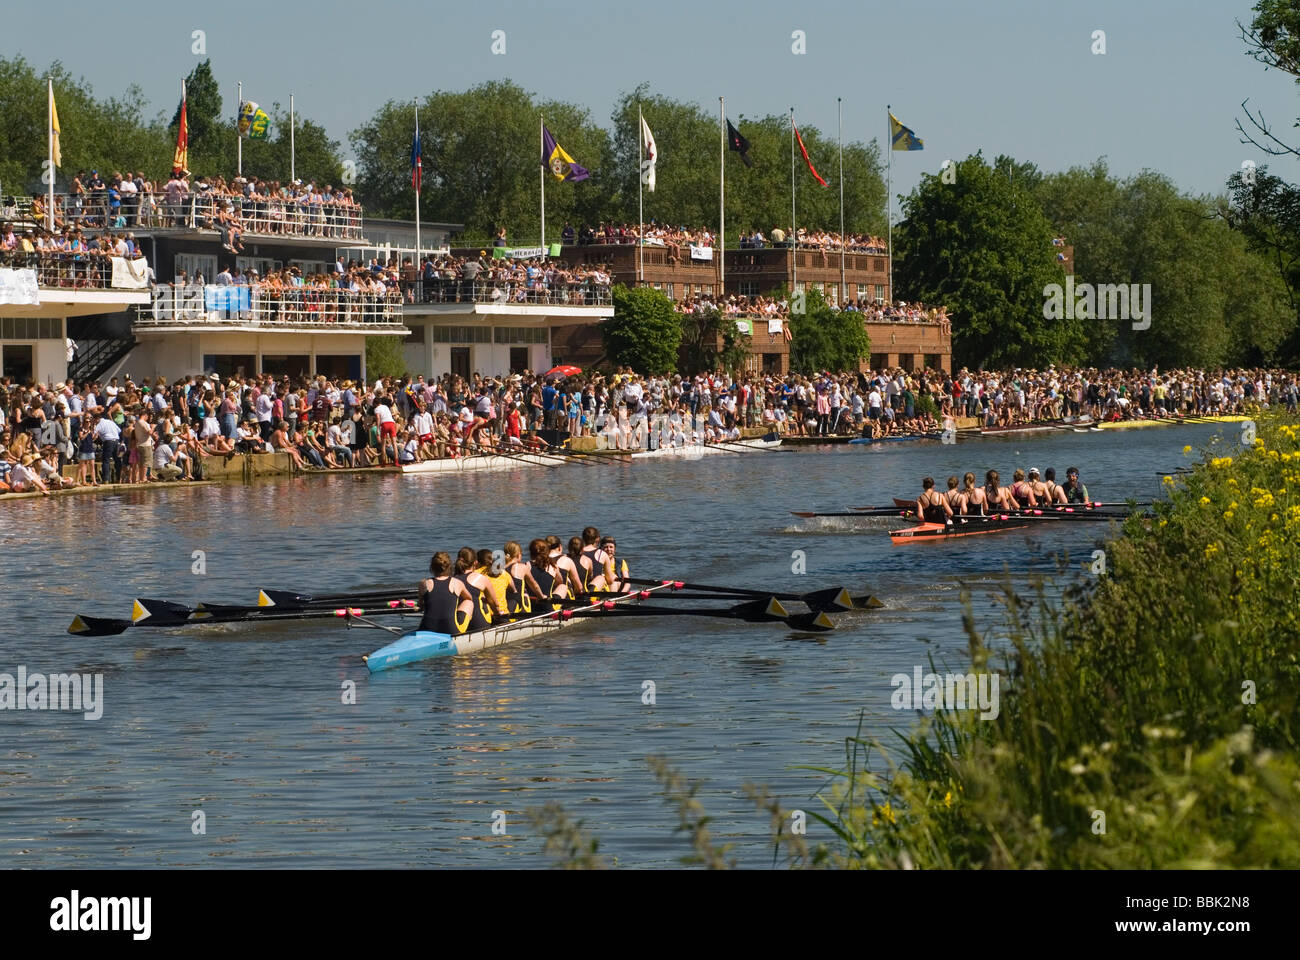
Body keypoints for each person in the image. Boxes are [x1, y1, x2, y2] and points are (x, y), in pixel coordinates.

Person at [418, 551, 475, 635]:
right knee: (469, 603)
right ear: (450, 567)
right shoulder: (457, 583)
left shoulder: (423, 583)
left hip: (426, 629)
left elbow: (421, 605)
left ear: (432, 567)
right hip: (450, 630)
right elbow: (469, 598)